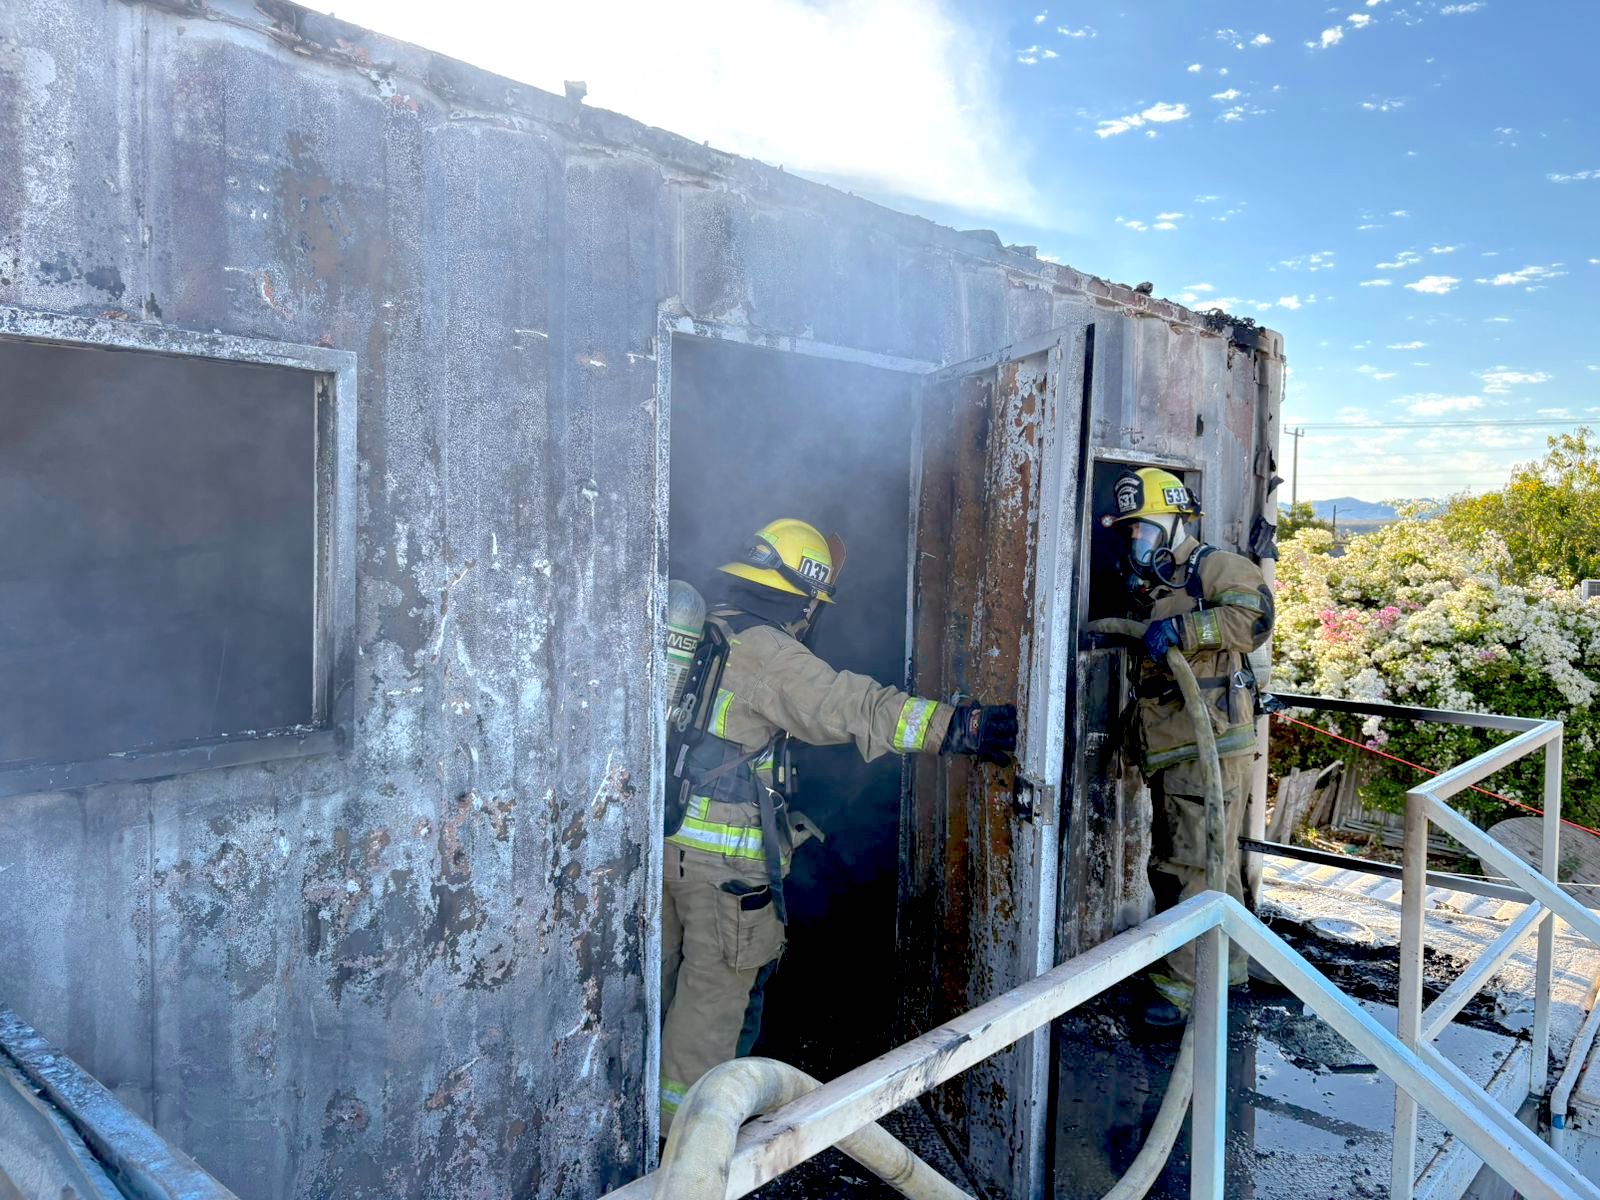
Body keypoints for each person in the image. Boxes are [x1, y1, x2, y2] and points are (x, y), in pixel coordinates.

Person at [659, 518, 1017, 1128]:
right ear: (804, 598)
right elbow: (851, 706)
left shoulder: (708, 631)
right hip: (724, 877)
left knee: (661, 997)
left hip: (669, 850)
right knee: (710, 1016)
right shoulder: (767, 652)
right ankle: (685, 1158)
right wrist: (957, 727)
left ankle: (644, 1140)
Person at [1105, 468, 1274, 1030]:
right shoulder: (1162, 582)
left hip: (1207, 746)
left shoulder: (1213, 567)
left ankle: (1177, 987)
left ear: (1178, 523)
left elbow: (1255, 617)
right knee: (1213, 863)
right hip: (1178, 747)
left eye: (1146, 531)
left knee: (1186, 865)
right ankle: (1226, 972)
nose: (1138, 544)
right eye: (1131, 535)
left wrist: (1186, 631)